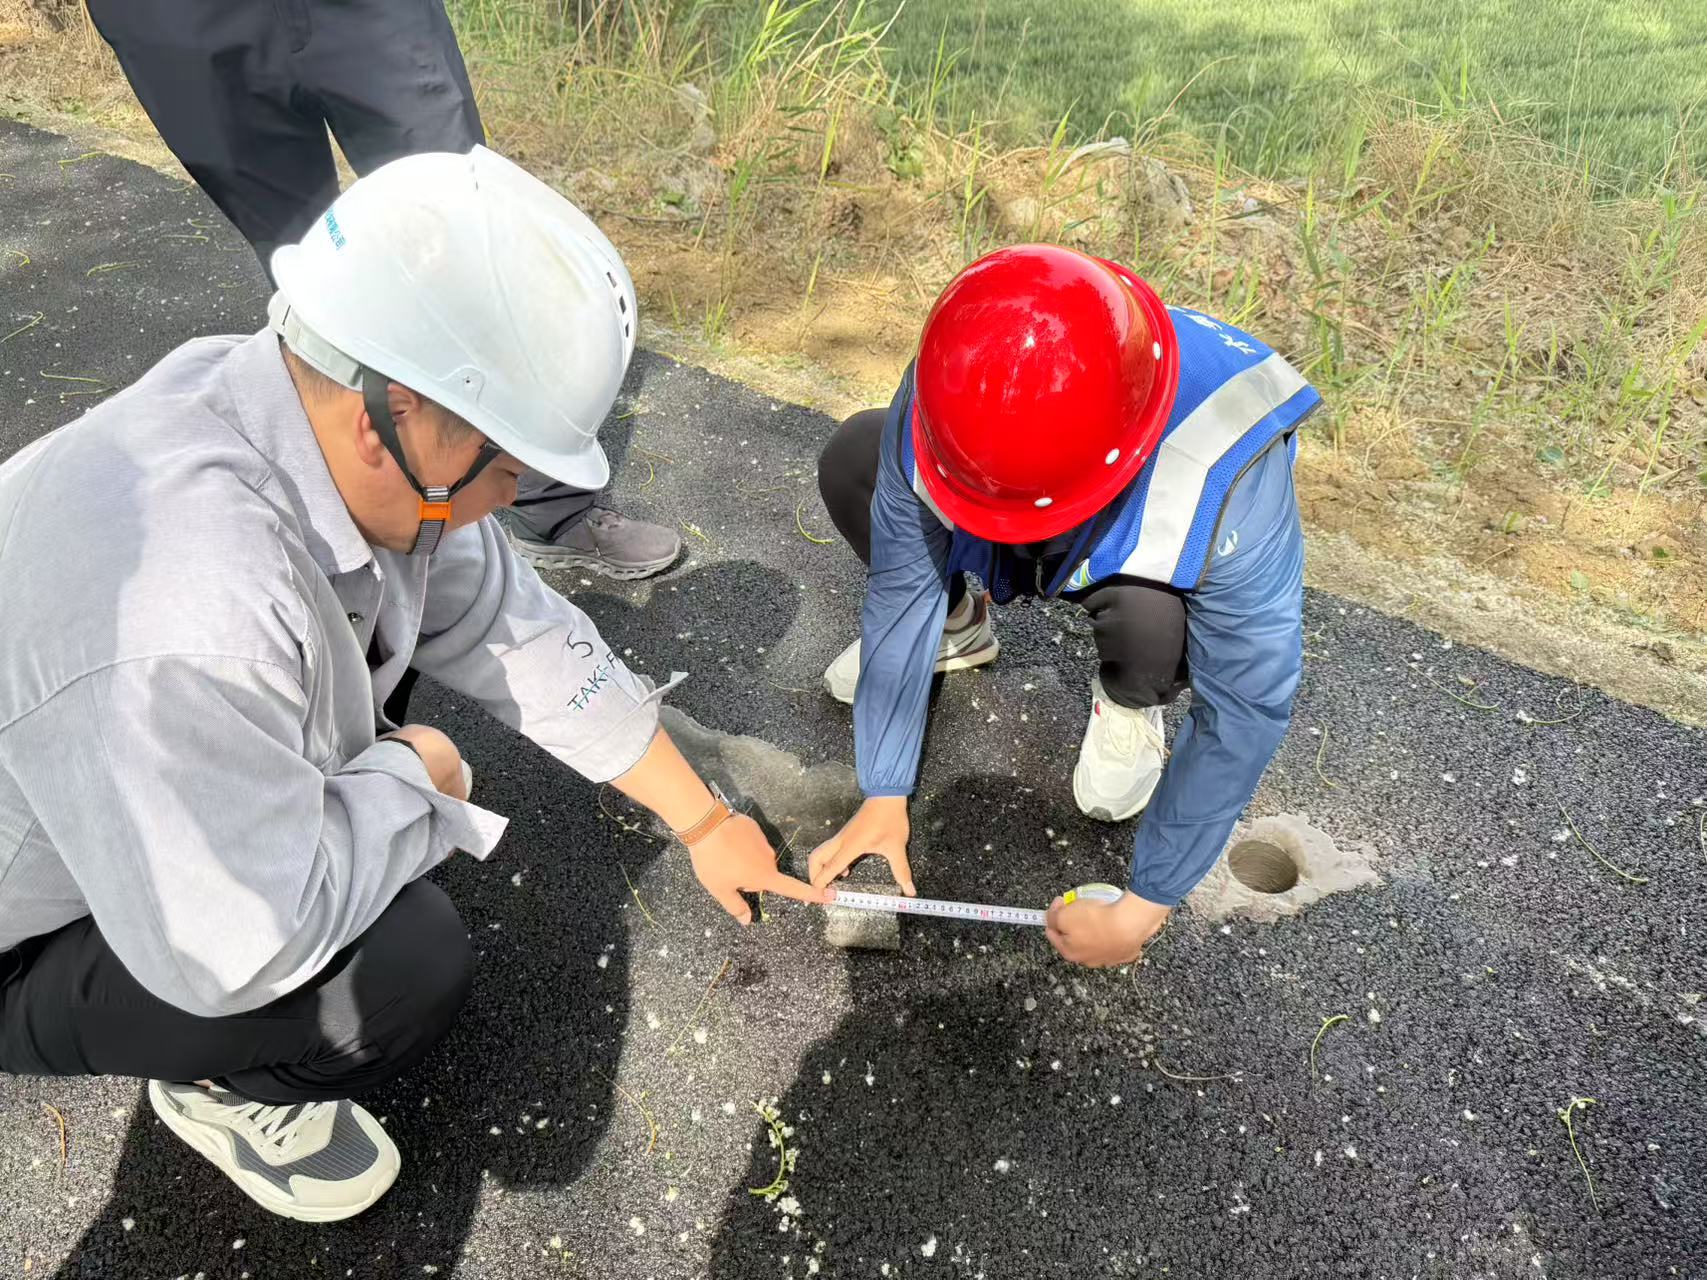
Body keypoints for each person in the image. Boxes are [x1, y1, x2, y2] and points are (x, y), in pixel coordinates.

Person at [0, 147, 823, 1223]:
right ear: (388, 418)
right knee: (398, 968)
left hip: (134, 790)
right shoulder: (195, 619)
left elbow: (512, 627)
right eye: (506, 466)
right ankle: (216, 1085)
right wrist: (412, 778)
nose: (514, 495)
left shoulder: (297, 405)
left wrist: (703, 818)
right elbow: (235, 947)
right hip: (41, 931)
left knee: (379, 675)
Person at [808, 244, 1314, 969]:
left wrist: (1146, 903)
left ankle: (1131, 703)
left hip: (1131, 558)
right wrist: (882, 790)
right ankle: (959, 625)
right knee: (854, 457)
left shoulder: (1228, 466)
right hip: (1027, 495)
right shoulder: (958, 375)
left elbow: (1246, 703)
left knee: (1154, 617)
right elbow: (900, 587)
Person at [82, 0, 680, 580]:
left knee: (470, 237)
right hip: (183, 17)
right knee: (320, 272)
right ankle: (370, 532)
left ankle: (547, 507)